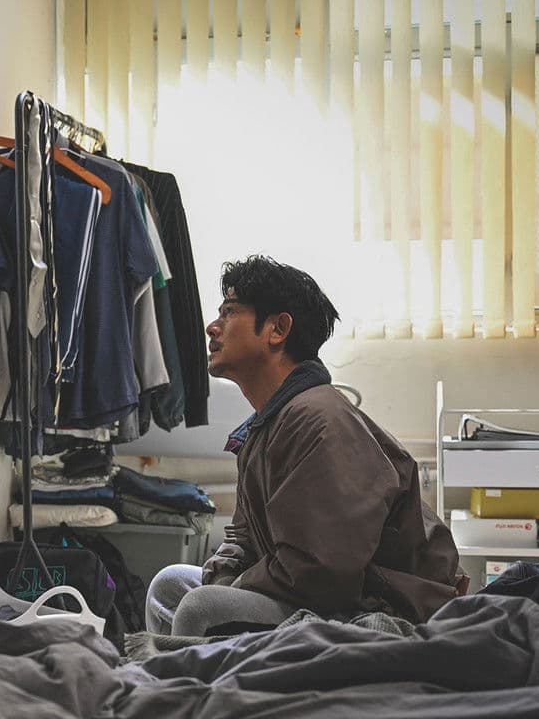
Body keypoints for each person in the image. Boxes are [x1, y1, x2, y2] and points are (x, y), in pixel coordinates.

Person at [146, 256, 460, 638]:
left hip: (372, 606)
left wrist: (233, 586)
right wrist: (224, 576)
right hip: (308, 589)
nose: (213, 327)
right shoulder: (267, 424)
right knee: (171, 584)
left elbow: (322, 572)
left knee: (201, 608)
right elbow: (242, 537)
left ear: (277, 329)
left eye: (230, 312)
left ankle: (189, 677)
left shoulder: (320, 421)